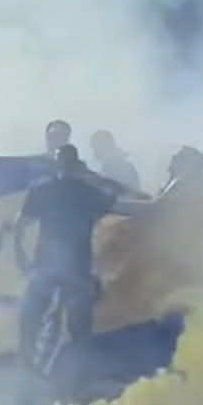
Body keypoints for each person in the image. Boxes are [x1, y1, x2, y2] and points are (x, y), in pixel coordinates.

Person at [14, 144, 122, 369]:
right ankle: (74, 372)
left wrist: (20, 254)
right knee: (77, 324)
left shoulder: (44, 189)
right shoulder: (87, 192)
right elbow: (118, 199)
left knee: (33, 318)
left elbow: (20, 225)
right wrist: (95, 179)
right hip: (74, 267)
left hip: (50, 265)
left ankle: (31, 368)